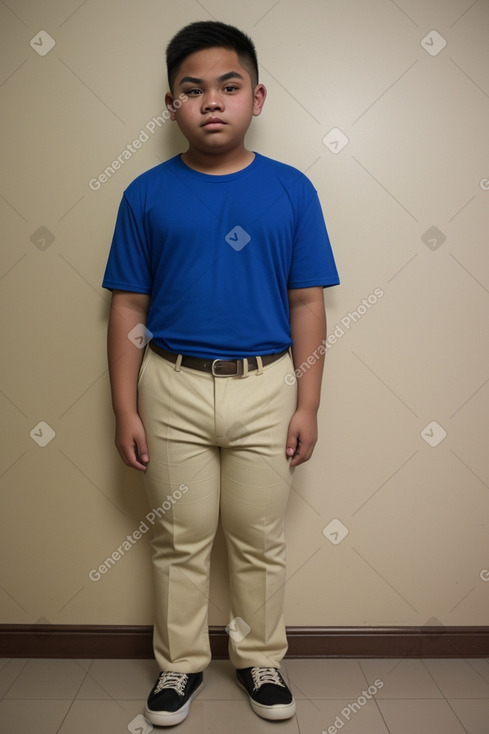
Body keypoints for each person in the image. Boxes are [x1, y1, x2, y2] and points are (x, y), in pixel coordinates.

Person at [102, 20, 339, 727]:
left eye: (228, 87)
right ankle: (177, 668)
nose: (212, 102)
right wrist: (124, 408)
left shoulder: (291, 190)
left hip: (267, 386)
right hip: (168, 384)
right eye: (192, 89)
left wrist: (308, 403)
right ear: (171, 103)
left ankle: (260, 656)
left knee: (257, 536)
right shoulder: (145, 194)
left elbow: (306, 302)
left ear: (255, 97)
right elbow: (128, 308)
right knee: (181, 536)